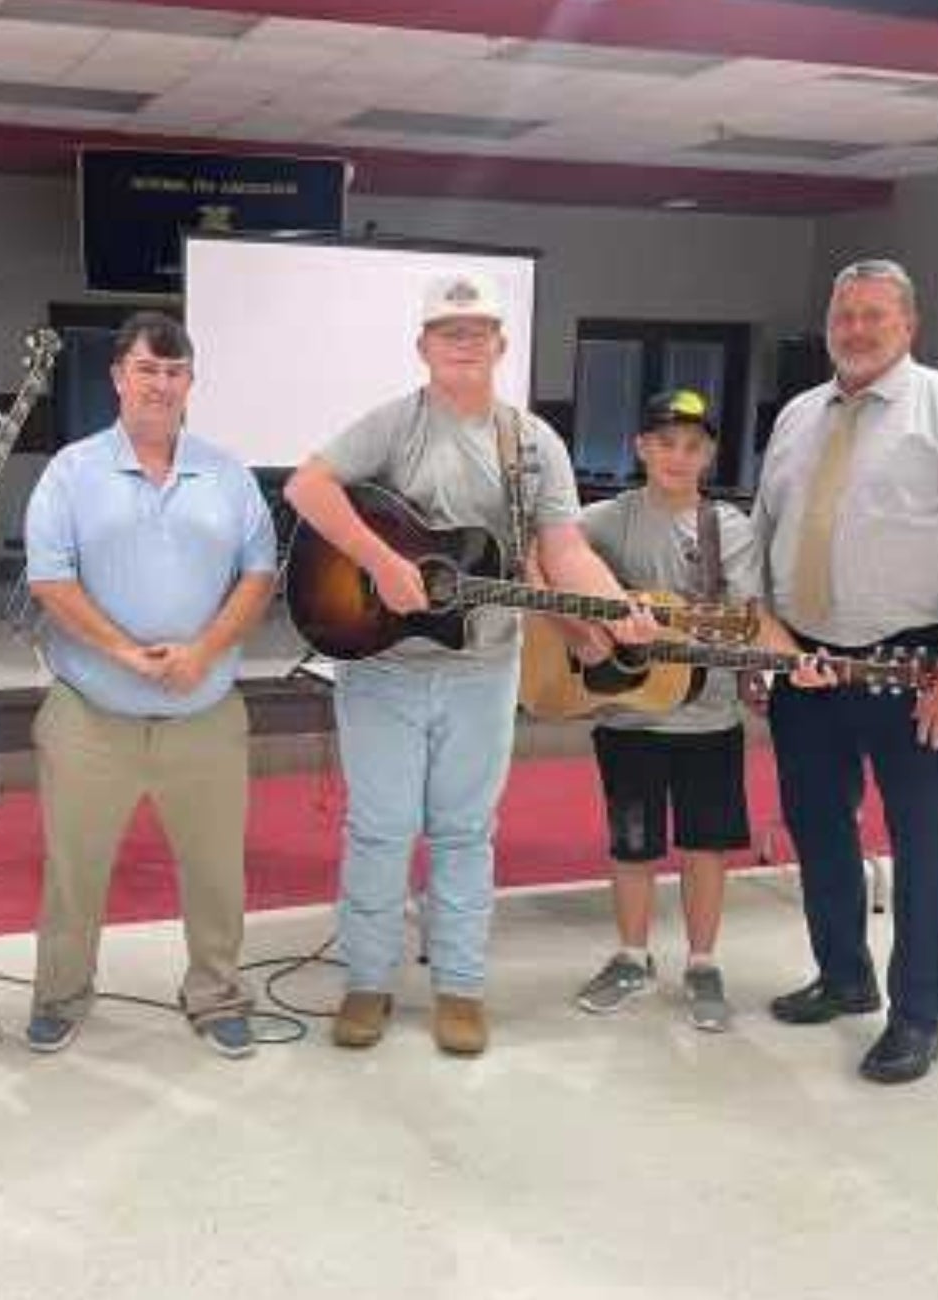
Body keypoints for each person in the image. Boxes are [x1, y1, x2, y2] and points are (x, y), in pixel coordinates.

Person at [283, 273, 655, 1056]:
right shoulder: (393, 425)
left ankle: (460, 986)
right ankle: (369, 981)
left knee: (463, 832)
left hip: (484, 669)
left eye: (478, 329)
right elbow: (307, 486)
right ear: (423, 346)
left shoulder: (532, 445)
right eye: (449, 330)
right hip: (381, 664)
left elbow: (563, 548)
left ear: (501, 344)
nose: (464, 342)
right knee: (380, 831)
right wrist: (382, 563)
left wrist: (618, 608)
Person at [752, 258, 938, 1084]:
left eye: (874, 315)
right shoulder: (799, 414)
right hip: (808, 666)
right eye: (845, 315)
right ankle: (843, 976)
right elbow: (767, 531)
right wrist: (769, 647)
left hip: (914, 670)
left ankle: (918, 1016)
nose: (857, 330)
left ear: (909, 324)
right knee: (820, 826)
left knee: (926, 843)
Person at [20, 312, 277, 1058]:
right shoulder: (71, 471)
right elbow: (49, 578)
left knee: (216, 871)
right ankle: (62, 993)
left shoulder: (226, 474)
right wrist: (125, 652)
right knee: (74, 869)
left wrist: (203, 651)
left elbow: (258, 574)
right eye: (147, 370)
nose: (161, 385)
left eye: (175, 372)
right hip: (90, 713)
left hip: (205, 713)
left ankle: (218, 993)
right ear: (118, 377)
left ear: (190, 381)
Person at [569, 390, 760, 1032]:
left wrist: (674, 636)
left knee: (707, 845)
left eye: (692, 446)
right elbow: (548, 561)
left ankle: (703, 963)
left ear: (709, 454)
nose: (678, 457)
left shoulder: (726, 529)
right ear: (641, 449)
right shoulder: (604, 520)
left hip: (709, 717)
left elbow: (742, 621)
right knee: (632, 845)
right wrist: (588, 630)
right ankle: (631, 955)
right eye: (665, 443)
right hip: (627, 715)